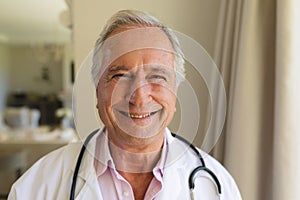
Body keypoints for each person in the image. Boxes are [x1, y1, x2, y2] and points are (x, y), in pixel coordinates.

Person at [8, 10, 242, 200]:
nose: (139, 98)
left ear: (175, 93)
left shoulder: (217, 186)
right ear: (97, 93)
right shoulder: (35, 188)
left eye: (157, 77)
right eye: (119, 76)